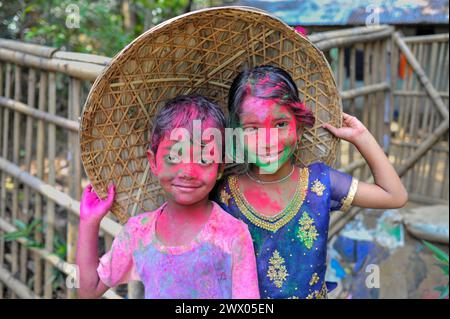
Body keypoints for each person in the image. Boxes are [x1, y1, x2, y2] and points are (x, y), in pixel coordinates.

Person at [214, 65, 408, 299]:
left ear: (299, 125)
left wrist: (362, 138)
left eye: (280, 124)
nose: (268, 140)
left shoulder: (320, 183)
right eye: (252, 128)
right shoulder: (225, 194)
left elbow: (394, 195)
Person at [76, 94, 260, 299]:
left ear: (219, 167)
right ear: (153, 162)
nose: (187, 171)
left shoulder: (232, 234)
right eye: (174, 156)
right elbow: (88, 290)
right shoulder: (138, 232)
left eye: (203, 158)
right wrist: (89, 222)